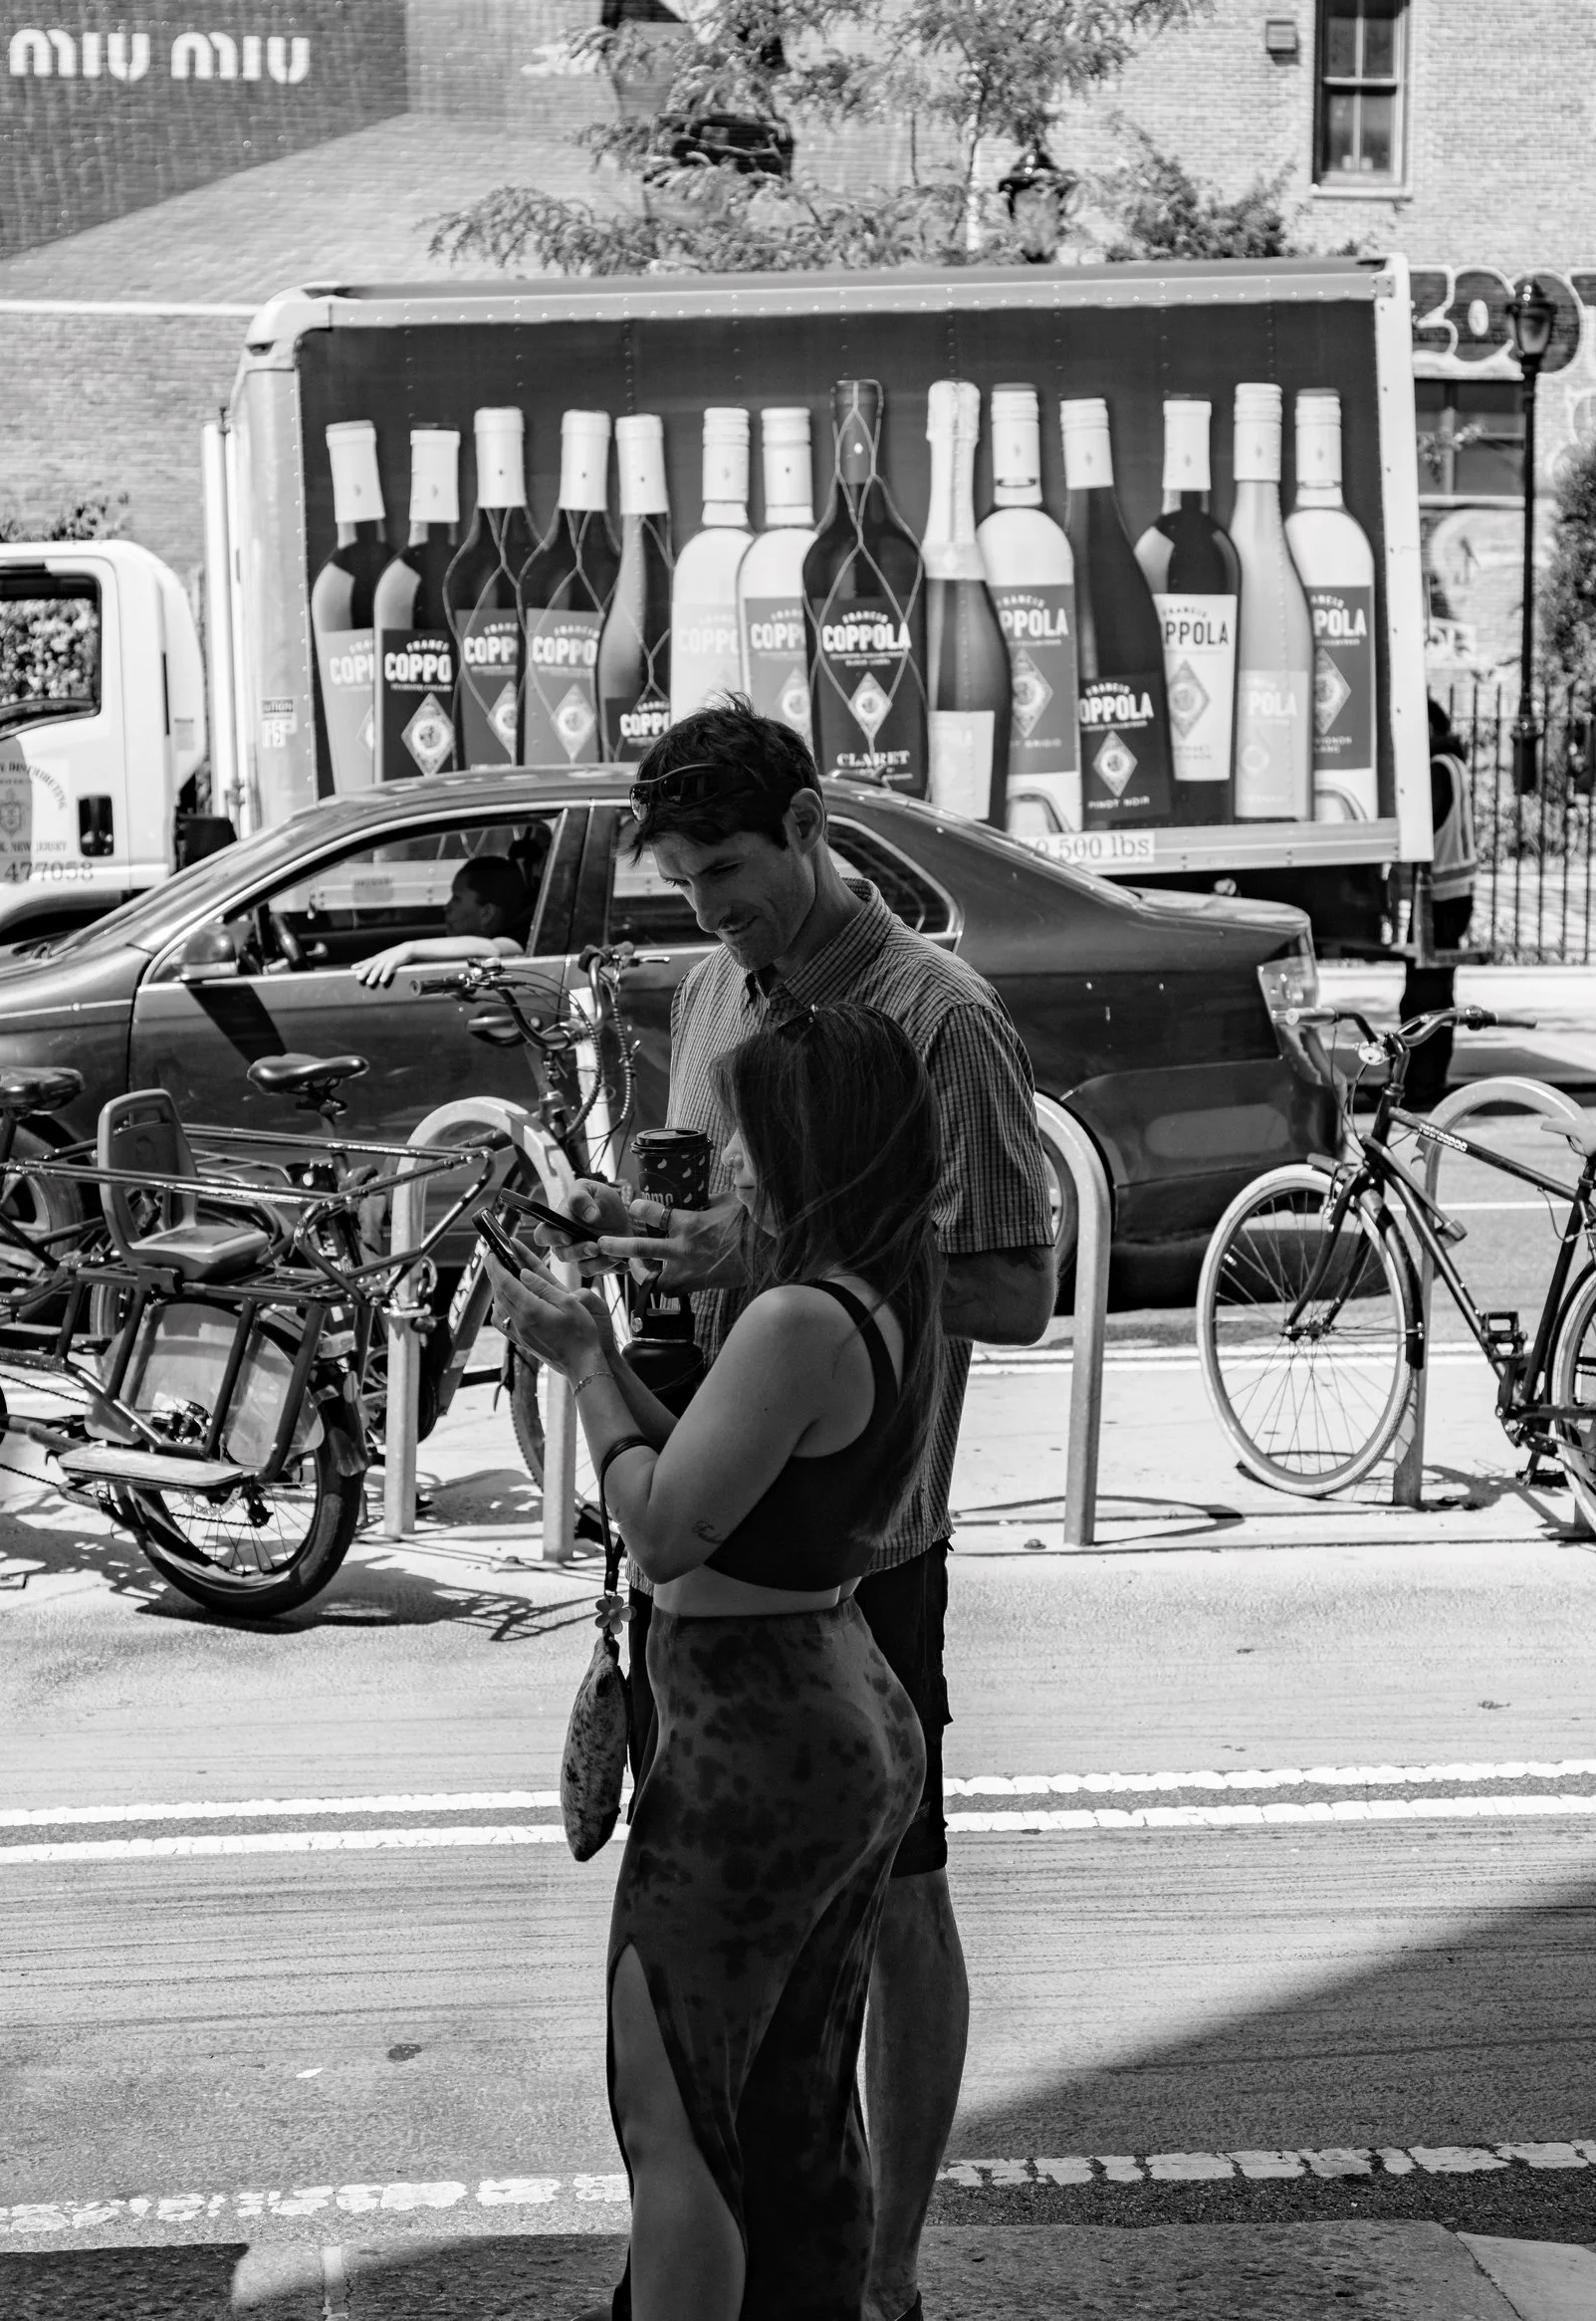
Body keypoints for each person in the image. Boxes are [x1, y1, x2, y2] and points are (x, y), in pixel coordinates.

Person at [550, 699, 1056, 2321]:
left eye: (731, 872)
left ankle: (880, 2270)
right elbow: (704, 1202)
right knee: (749, 1967)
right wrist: (637, 1235)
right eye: (685, 881)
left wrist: (778, 1271)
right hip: (710, 1508)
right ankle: (757, 2258)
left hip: (858, 1542)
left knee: (886, 1909)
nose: (711, 910)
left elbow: (1018, 1288)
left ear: (813, 825)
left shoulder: (940, 1016)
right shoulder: (714, 985)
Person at [487, 1002, 941, 2321]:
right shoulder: (878, 1283)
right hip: (833, 1696)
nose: (729, 1161)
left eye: (747, 1138)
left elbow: (660, 1521)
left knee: (673, 2108)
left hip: (757, 1737)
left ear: (809, 1143)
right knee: (791, 2106)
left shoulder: (796, 1316)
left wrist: (580, 1361)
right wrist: (600, 1333)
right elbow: (702, 1468)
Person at [1399, 696, 1478, 1107]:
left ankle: (1421, 1087)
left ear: (1428, 729)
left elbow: (1419, 826)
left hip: (1440, 899)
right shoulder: (1453, 764)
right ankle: (1422, 1084)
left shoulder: (1437, 769)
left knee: (1424, 999)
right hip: (1452, 896)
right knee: (1433, 996)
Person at [352, 854, 531, 987]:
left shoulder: (518, 937)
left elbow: (492, 949)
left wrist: (409, 949)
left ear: (486, 913)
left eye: (457, 899)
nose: (447, 907)